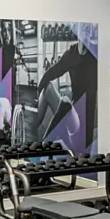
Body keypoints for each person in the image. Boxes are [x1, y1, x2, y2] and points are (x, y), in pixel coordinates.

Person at [33, 23, 97, 152]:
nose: (86, 33)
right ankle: (32, 129)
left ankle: (44, 144)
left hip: (81, 129)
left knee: (66, 103)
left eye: (89, 30)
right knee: (48, 88)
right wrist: (37, 94)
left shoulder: (95, 56)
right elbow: (50, 74)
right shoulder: (71, 54)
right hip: (70, 115)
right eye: (84, 29)